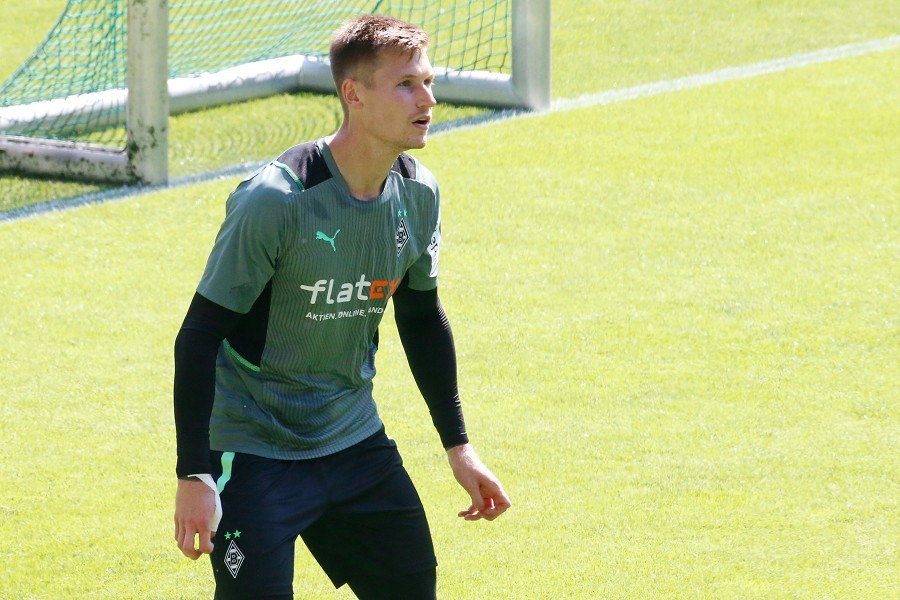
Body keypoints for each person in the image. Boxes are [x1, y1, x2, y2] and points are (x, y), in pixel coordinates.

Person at [172, 14, 511, 600]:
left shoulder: (418, 193)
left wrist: (460, 448)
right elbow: (199, 336)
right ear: (353, 94)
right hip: (255, 454)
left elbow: (422, 317)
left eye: (428, 81)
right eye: (406, 84)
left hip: (353, 442)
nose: (428, 98)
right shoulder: (276, 200)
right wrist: (195, 475)